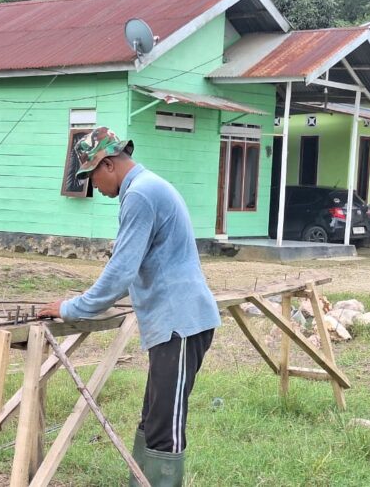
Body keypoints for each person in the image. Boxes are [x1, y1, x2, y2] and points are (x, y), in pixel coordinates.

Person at [39, 127, 220, 487]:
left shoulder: (140, 194)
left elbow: (121, 272)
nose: (94, 188)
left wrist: (72, 308)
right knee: (153, 418)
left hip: (180, 323)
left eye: (91, 177)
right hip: (171, 323)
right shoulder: (146, 187)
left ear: (108, 164)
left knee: (165, 426)